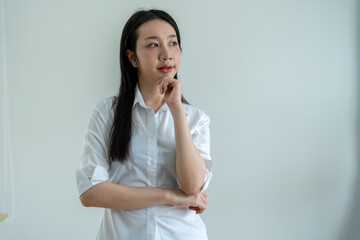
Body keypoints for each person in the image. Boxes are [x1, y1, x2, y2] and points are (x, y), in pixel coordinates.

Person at [75, 9, 213, 240]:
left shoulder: (196, 119)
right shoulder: (108, 113)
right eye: (153, 45)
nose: (167, 54)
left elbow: (192, 187)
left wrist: (177, 109)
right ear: (132, 57)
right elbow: (90, 192)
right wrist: (169, 196)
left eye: (173, 43)